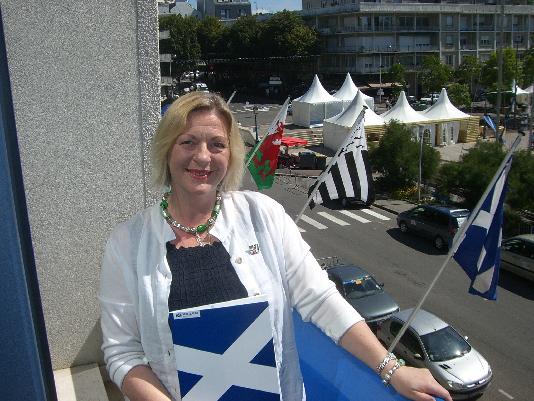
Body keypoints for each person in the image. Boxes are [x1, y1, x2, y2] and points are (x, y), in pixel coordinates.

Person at [99, 91, 452, 401]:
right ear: (167, 149)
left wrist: (391, 368)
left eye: (217, 144)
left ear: (231, 154)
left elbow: (320, 299)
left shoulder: (263, 214)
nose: (203, 157)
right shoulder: (127, 243)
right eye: (188, 142)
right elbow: (123, 353)